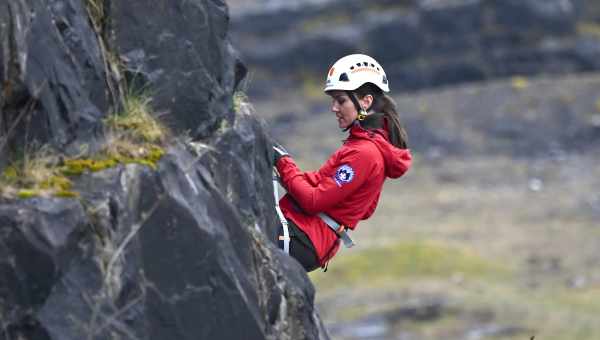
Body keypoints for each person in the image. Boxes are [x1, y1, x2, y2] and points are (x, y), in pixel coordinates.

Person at [273, 54, 412, 272]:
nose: (334, 108)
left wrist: (283, 163)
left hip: (302, 238)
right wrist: (283, 166)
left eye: (341, 100)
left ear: (365, 101)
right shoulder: (361, 146)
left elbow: (313, 200)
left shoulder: (365, 154)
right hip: (304, 235)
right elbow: (320, 183)